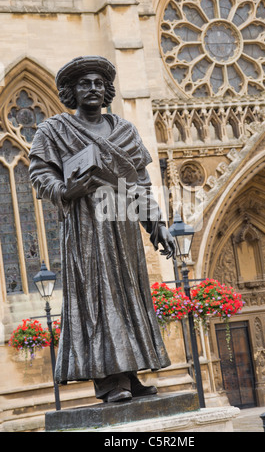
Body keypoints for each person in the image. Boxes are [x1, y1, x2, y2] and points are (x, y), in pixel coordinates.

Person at [29, 56, 175, 403]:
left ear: (107, 89)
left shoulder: (125, 131)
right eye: (84, 84)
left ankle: (131, 372)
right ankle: (110, 382)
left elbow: (140, 183)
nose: (92, 89)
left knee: (128, 295)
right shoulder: (55, 130)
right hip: (85, 229)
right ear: (71, 92)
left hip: (123, 228)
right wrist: (66, 190)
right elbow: (39, 174)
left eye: (98, 83)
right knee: (97, 297)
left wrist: (158, 226)